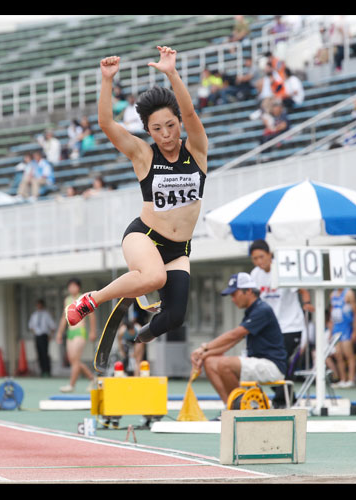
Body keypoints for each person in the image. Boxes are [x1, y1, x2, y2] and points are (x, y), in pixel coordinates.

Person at [65, 46, 208, 349]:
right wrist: (107, 81)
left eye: (171, 125)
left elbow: (191, 111)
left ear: (179, 123)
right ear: (148, 130)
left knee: (174, 318)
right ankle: (92, 299)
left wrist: (171, 72)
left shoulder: (196, 150)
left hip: (179, 248)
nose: (166, 134)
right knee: (154, 278)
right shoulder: (143, 154)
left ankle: (134, 338)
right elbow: (106, 124)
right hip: (144, 236)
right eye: (157, 129)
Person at [190, 272, 287, 406]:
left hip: (272, 366)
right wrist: (204, 355)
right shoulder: (253, 310)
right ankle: (229, 407)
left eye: (234, 294)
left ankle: (240, 408)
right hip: (258, 362)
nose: (232, 299)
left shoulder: (262, 310)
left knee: (224, 364)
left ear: (248, 291)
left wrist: (204, 347)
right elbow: (233, 341)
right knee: (210, 362)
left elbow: (234, 335)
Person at [248, 239, 312, 405]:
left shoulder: (283, 268)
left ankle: (282, 400)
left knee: (281, 364)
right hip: (270, 328)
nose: (259, 261)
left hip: (291, 325)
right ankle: (288, 398)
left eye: (261, 257)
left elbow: (303, 291)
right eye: (255, 259)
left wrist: (307, 304)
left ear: (270, 254)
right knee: (262, 362)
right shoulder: (255, 274)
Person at [56, 278, 97, 392]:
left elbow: (91, 316)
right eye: (70, 286)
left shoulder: (83, 298)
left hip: (80, 331)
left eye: (74, 286)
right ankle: (92, 378)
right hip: (70, 332)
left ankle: (71, 385)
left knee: (75, 360)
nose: (72, 288)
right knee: (73, 361)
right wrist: (59, 332)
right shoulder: (67, 299)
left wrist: (92, 331)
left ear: (78, 287)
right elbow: (65, 317)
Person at [329, 287, 356, 388]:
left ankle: (351, 379)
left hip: (346, 327)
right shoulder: (333, 294)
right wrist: (330, 331)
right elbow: (332, 314)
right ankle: (343, 379)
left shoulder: (349, 293)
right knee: (338, 355)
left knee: (348, 354)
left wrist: (355, 331)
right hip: (336, 328)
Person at [28, 299, 56, 377]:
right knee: (39, 354)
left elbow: (53, 326)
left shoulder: (47, 314)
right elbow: (31, 326)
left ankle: (47, 371)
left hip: (44, 336)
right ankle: (42, 371)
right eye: (37, 304)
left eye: (39, 304)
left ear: (42, 305)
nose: (38, 306)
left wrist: (50, 336)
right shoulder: (34, 315)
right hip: (37, 336)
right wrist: (35, 333)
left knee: (45, 354)